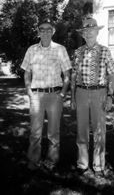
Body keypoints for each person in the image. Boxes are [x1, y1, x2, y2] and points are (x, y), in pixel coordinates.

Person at [71, 15, 114, 179]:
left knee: (99, 131)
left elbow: (111, 75)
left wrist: (110, 95)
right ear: (83, 34)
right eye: (86, 30)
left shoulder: (105, 51)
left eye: (91, 30)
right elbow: (74, 76)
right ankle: (82, 164)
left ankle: (98, 165)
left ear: (96, 32)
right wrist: (73, 97)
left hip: (100, 94)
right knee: (81, 130)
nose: (88, 33)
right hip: (81, 93)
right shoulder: (77, 52)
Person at [21, 20, 72, 171]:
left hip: (55, 95)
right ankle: (34, 158)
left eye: (48, 29)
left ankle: (52, 159)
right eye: (41, 29)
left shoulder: (60, 49)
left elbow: (67, 74)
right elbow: (27, 72)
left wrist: (62, 93)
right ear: (38, 31)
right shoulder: (31, 50)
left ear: (53, 31)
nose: (45, 31)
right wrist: (29, 91)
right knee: (35, 131)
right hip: (36, 95)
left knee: (53, 131)